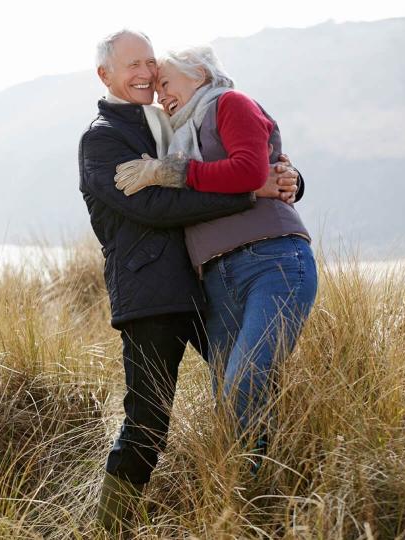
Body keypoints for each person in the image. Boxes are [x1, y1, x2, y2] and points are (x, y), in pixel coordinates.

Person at [78, 30, 301, 534]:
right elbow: (152, 206)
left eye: (149, 64)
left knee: (247, 389)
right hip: (152, 296)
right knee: (148, 423)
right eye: (131, 64)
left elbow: (233, 157)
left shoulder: (176, 119)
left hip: (208, 284)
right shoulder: (101, 138)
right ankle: (109, 529)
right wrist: (251, 192)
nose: (145, 74)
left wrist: (287, 177)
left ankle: (257, 506)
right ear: (105, 74)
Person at [113, 46, 317, 470]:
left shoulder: (230, 102)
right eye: (156, 88)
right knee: (229, 395)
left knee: (245, 378)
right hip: (216, 277)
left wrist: (171, 172)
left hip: (272, 260)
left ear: (200, 74)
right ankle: (252, 493)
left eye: (166, 82)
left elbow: (249, 171)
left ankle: (256, 487)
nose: (160, 94)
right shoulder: (176, 135)